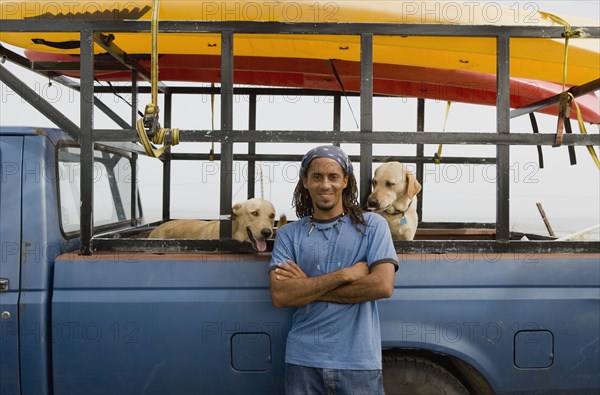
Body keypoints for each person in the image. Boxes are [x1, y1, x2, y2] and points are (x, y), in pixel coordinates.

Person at [269, 145, 398, 395]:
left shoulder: (372, 225)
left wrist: (307, 286)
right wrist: (344, 275)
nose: (325, 184)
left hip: (359, 362)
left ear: (345, 181)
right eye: (317, 177)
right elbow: (281, 295)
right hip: (303, 361)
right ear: (305, 181)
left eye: (333, 177)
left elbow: (382, 285)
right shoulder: (289, 234)